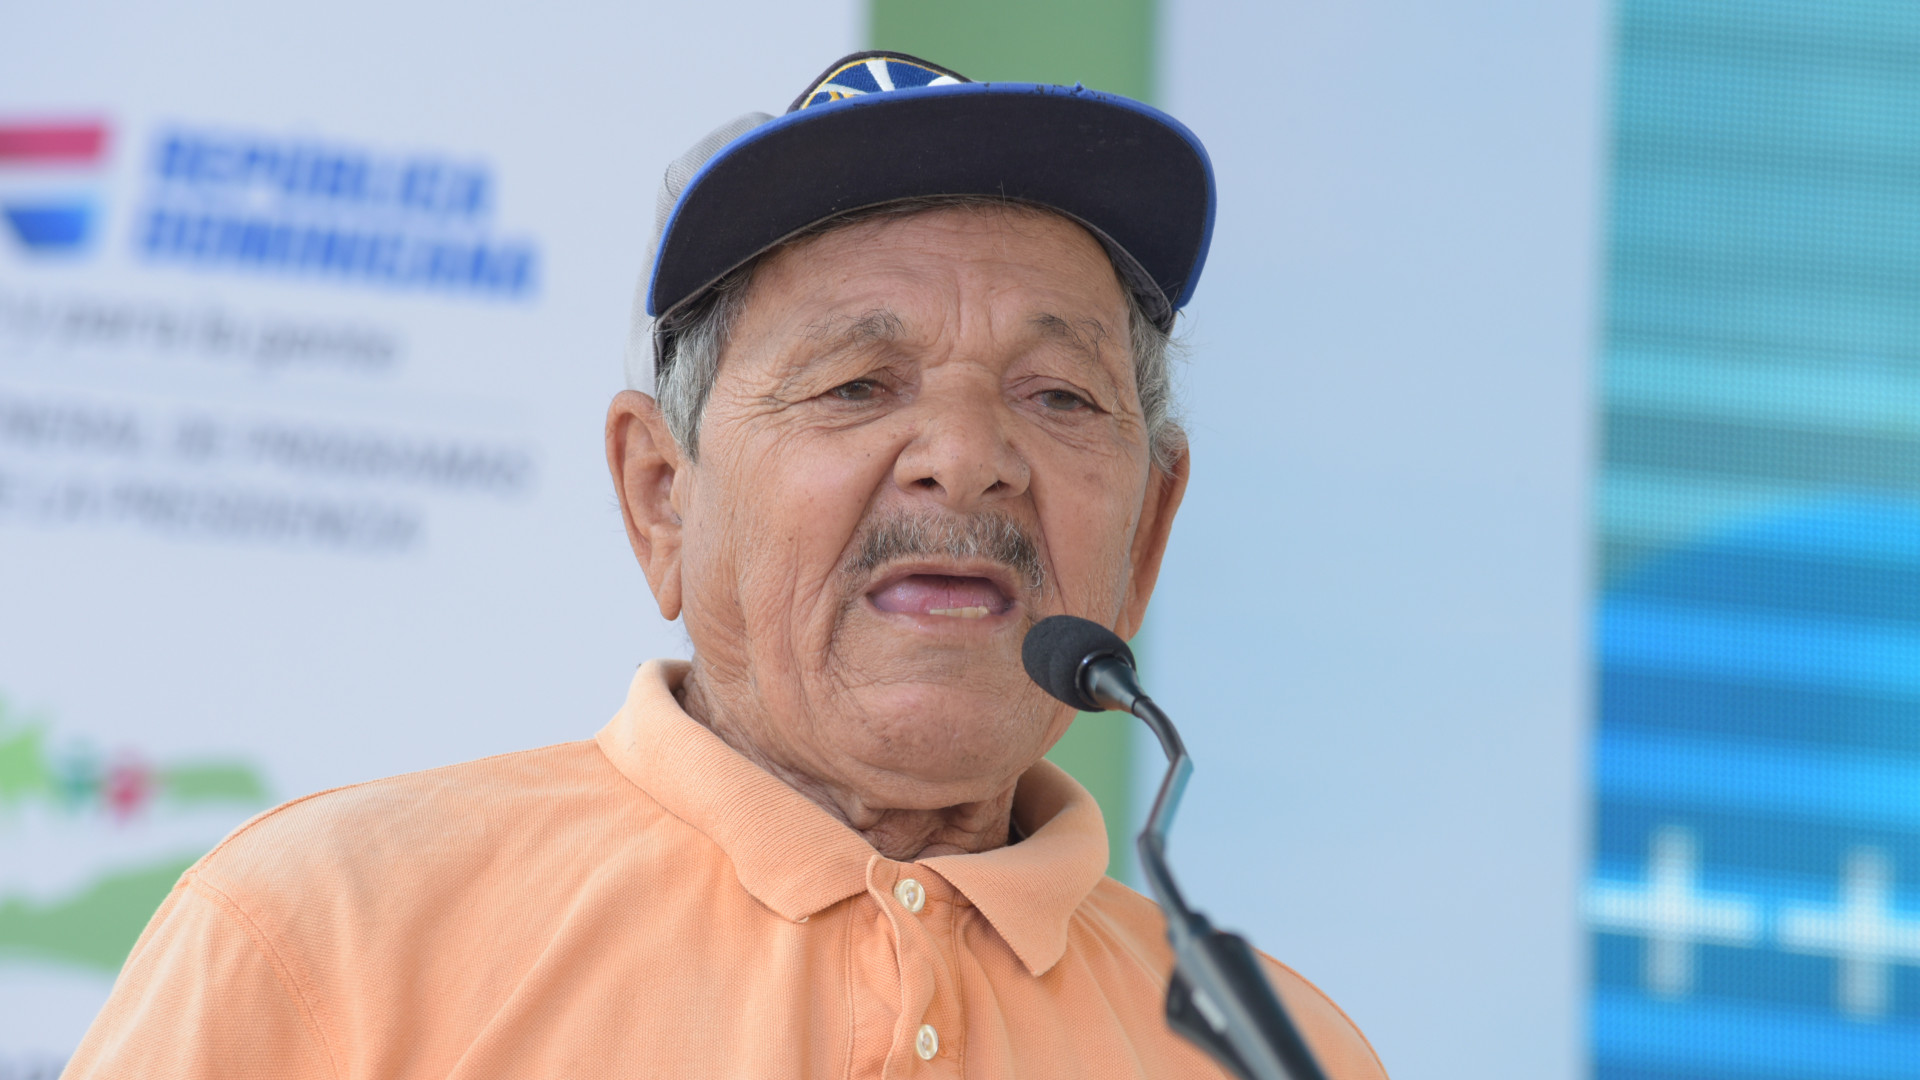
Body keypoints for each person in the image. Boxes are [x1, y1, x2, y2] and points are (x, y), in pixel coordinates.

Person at [64, 52, 1388, 1079]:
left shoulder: (1285, 1053)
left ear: (1148, 530)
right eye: (859, 384)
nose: (966, 458)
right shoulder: (325, 936)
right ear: (661, 496)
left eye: (1058, 396)